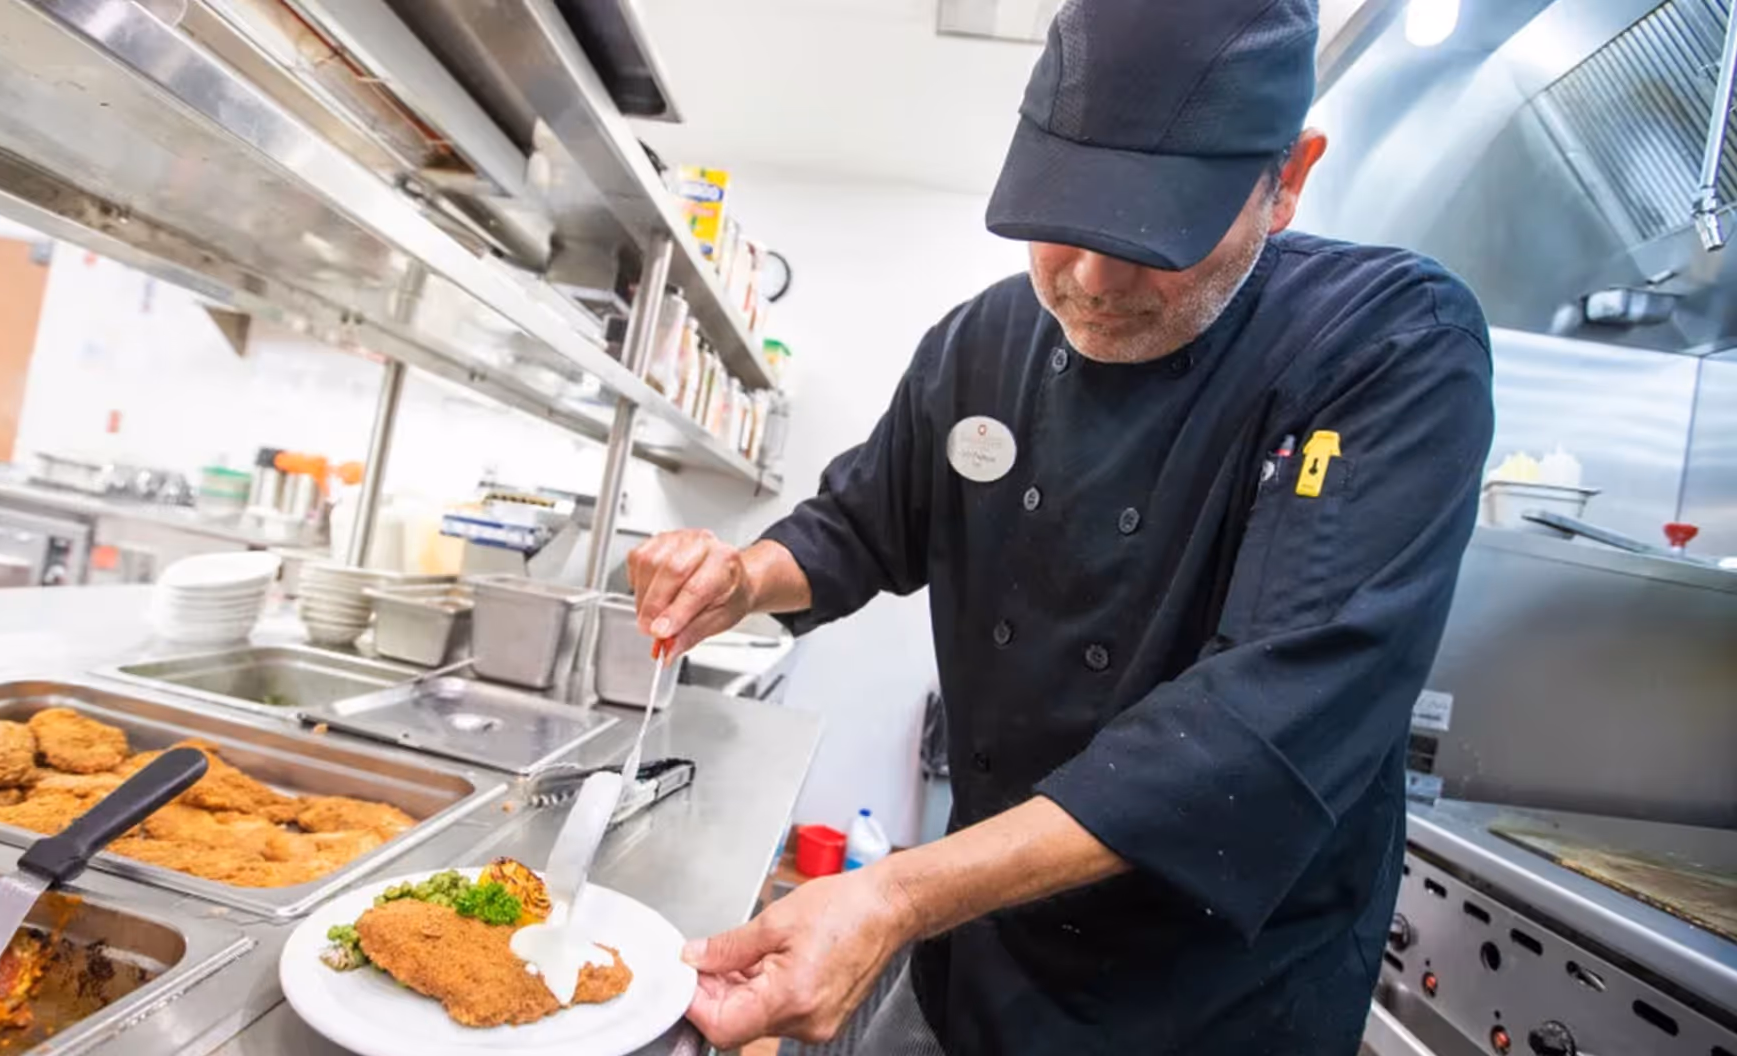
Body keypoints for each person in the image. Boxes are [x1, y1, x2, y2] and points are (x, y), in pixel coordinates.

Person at [627, 0, 1495, 1052]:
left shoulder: (1387, 344)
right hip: (982, 954)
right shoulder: (983, 341)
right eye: (1067, 221)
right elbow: (855, 527)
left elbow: (1264, 722)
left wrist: (899, 896)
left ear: (1290, 179)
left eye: (1157, 234)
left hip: (1213, 1001)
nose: (1090, 281)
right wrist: (744, 577)